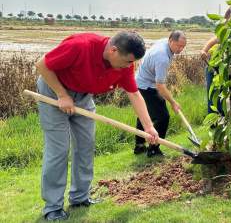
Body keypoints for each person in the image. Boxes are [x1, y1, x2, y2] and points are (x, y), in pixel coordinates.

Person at [35, 31, 159, 221]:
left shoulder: (124, 65)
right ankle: (53, 207)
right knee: (59, 149)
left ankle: (79, 197)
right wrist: (62, 95)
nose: (130, 67)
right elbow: (42, 64)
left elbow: (134, 94)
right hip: (53, 92)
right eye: (128, 61)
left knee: (86, 145)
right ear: (113, 50)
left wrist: (148, 127)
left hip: (83, 95)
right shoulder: (80, 46)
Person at [134, 30, 186, 156]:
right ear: (171, 41)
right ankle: (153, 149)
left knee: (144, 114)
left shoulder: (165, 42)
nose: (181, 49)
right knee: (163, 117)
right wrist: (173, 102)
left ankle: (139, 146)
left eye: (183, 46)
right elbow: (160, 86)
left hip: (141, 81)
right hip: (146, 86)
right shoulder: (162, 57)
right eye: (179, 46)